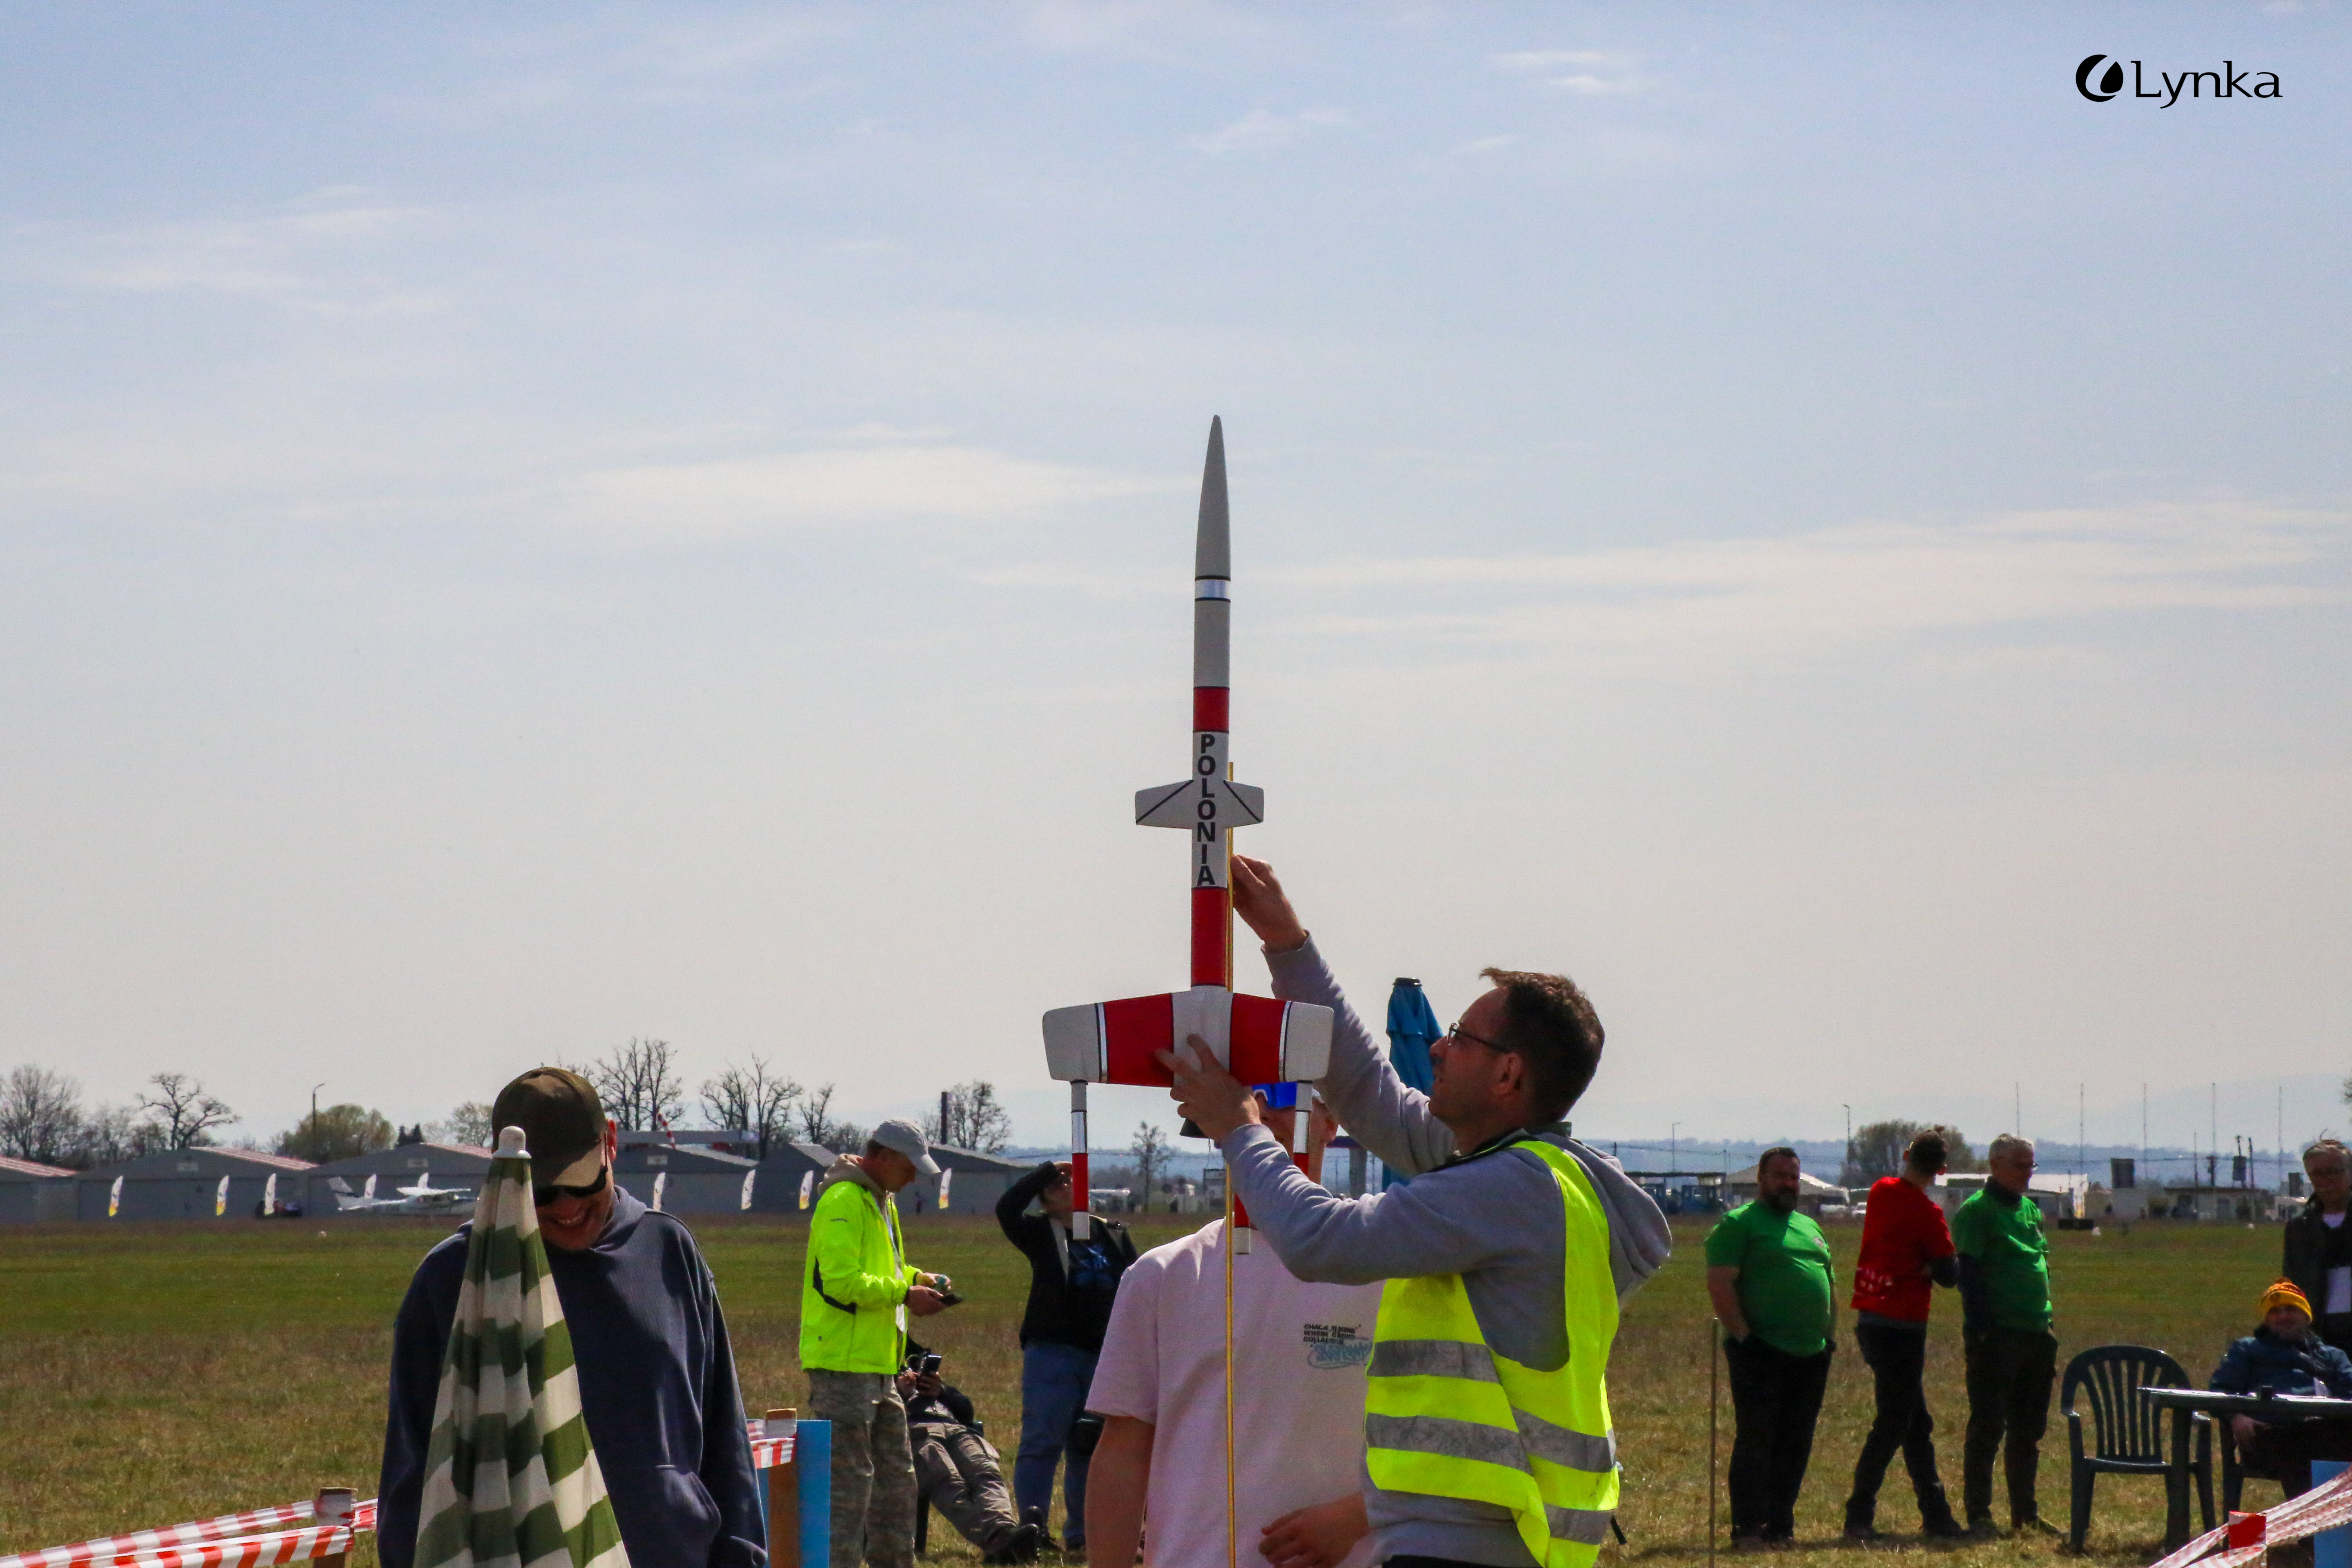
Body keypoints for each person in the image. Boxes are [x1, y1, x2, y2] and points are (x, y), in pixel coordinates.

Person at [1161, 854, 1672, 1568]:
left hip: (1471, 1544)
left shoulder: (1508, 1190)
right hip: (1504, 1536)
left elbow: (1320, 1241)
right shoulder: (1543, 1177)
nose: (1437, 1046)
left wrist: (1240, 1129)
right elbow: (1370, 1093)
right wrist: (1288, 946)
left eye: (1461, 1037)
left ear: (1508, 1074)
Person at [378, 1067, 764, 1568]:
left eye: (582, 1184)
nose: (564, 1207)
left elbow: (724, 1441)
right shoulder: (454, 1282)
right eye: (540, 1191)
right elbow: (413, 1478)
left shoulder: (668, 1252)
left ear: (610, 1142)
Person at [1085, 1094, 1382, 1568]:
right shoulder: (1162, 1274)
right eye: (1243, 1093)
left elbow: (1441, 1439)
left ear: (1332, 1120)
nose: (1260, 1113)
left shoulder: (1387, 1267)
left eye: (1285, 1093)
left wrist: (1357, 1517)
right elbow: (1123, 1453)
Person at [802, 1118, 956, 1568]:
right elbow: (840, 1281)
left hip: (879, 1366)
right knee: (849, 1491)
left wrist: (917, 1279)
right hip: (842, 1365)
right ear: (883, 1157)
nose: (913, 1179)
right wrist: (904, 1294)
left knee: (896, 1485)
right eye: (909, 1168)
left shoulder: (879, 1201)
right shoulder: (845, 1201)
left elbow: (881, 1271)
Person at [996, 1156, 1138, 1552]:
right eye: (1055, 1187)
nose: (1064, 1187)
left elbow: (1137, 1283)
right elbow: (1006, 1208)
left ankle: (1083, 1534)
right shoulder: (1040, 1234)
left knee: (1089, 1447)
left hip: (1103, 1355)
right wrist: (1046, 1171)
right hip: (1053, 1353)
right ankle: (1034, 1528)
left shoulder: (1112, 1233)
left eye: (1069, 1182)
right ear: (1044, 1201)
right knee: (1043, 1441)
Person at [1706, 1147, 1837, 1548]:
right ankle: (1748, 1528)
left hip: (1812, 1353)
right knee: (1758, 1439)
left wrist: (1829, 1338)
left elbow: (1829, 1280)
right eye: (1780, 1176)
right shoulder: (1739, 1225)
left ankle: (1781, 1525)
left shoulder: (1809, 1227)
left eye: (1794, 1177)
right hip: (1760, 1350)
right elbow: (1720, 1283)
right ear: (1761, 1180)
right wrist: (1743, 1335)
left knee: (1796, 1442)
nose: (1788, 1184)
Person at [1841, 1129, 1964, 1542]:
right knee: (1896, 1421)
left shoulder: (1880, 1192)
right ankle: (1859, 1514)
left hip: (1871, 1319)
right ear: (1942, 1170)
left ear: (1907, 1154)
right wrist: (1931, 1265)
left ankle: (1936, 1514)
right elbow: (1950, 1273)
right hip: (1906, 1326)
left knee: (1914, 1422)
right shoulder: (1929, 1214)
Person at [1952, 1133, 2058, 1539]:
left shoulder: (2031, 1211)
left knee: (2028, 1431)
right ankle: (1980, 1514)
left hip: (2037, 1333)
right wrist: (1981, 1331)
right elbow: (1970, 1274)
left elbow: (2040, 1265)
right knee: (1988, 1427)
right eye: (2020, 1165)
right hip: (1998, 1336)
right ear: (1995, 1166)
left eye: (2031, 1165)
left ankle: (2025, 1514)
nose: (2027, 1174)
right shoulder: (1977, 1212)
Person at [900, 1346, 1045, 1565]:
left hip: (957, 1429)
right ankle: (998, 1541)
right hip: (915, 1430)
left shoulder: (922, 1368)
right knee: (948, 1481)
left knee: (987, 1473)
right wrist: (898, 1391)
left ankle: (1005, 1531)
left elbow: (967, 1410)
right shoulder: (877, 1371)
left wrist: (941, 1391)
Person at [2210, 1279, 2352, 1500]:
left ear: (2306, 1316)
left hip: (2323, 1432)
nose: (2283, 1316)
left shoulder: (2333, 1357)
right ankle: (2310, 1529)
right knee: (2297, 1446)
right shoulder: (2248, 1350)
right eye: (2276, 1311)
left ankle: (2335, 1528)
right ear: (2267, 1319)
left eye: (2291, 1310)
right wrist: (2236, 1416)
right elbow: (2220, 1390)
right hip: (2268, 1436)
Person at [2285, 1139, 2352, 1356]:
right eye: (2318, 1174)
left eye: (2334, 1172)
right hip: (2319, 1330)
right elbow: (2291, 1283)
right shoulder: (2300, 1227)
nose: (2326, 1180)